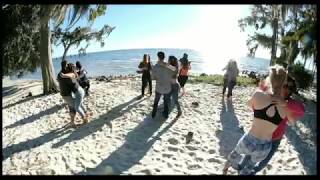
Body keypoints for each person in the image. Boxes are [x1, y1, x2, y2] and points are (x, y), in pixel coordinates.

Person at [222, 65, 293, 175]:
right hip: (265, 146)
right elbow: (292, 118)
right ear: (284, 83)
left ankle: (225, 169)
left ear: (269, 79)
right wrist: (283, 103)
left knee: (234, 154)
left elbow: (249, 105)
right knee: (249, 168)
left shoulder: (258, 95)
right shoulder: (285, 108)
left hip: (250, 139)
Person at [239, 75, 305, 175]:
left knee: (263, 162)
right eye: (285, 85)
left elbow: (302, 109)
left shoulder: (289, 103)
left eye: (290, 88)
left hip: (275, 140)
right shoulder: (269, 96)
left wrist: (285, 104)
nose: (287, 89)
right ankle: (241, 167)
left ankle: (252, 172)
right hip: (259, 135)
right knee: (249, 155)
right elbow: (255, 102)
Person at [151, 51, 175, 119]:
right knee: (166, 101)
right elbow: (175, 71)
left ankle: (153, 113)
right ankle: (166, 115)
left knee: (156, 101)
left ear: (158, 57)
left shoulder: (155, 67)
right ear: (164, 57)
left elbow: (152, 78)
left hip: (159, 87)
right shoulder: (169, 66)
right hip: (167, 87)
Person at [57, 60, 77, 126]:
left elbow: (59, 79)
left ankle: (72, 121)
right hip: (66, 94)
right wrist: (73, 73)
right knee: (73, 107)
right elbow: (74, 82)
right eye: (67, 64)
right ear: (65, 65)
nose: (68, 65)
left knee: (70, 106)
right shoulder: (66, 76)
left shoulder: (59, 74)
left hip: (63, 93)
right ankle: (72, 122)